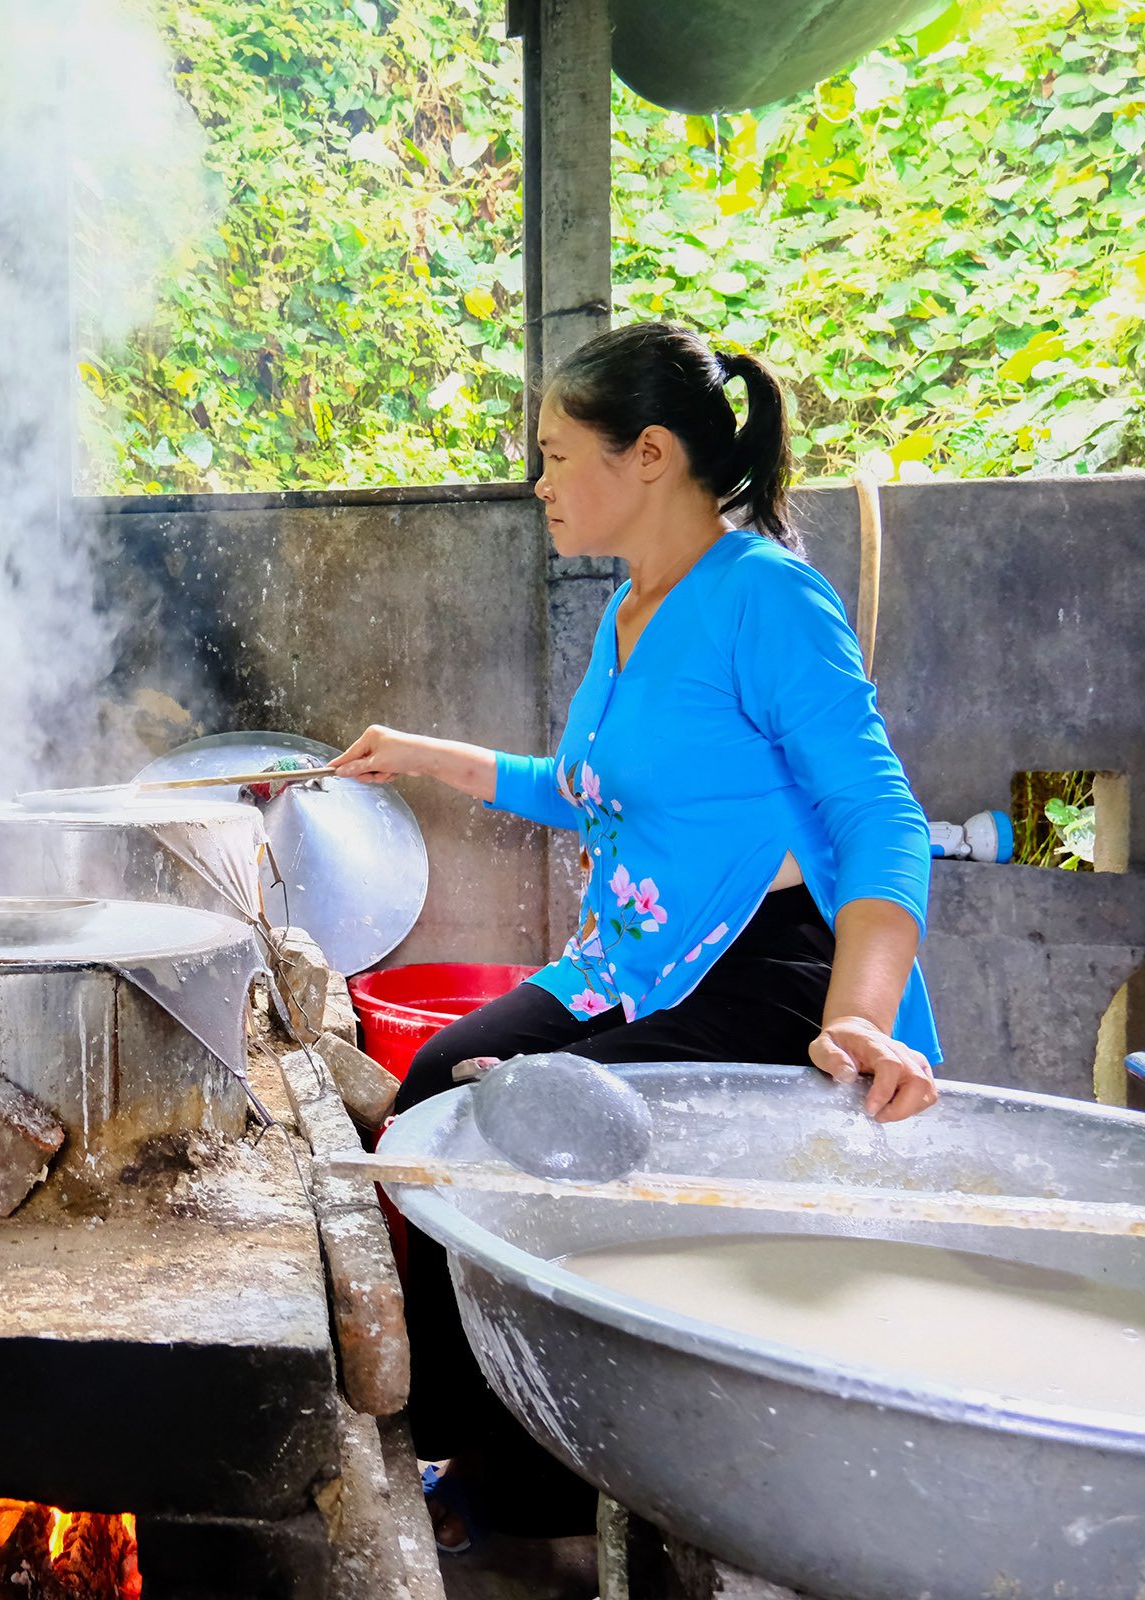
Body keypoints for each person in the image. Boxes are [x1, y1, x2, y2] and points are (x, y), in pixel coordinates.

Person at [332, 321, 942, 1545]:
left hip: (773, 971)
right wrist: (419, 754)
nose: (542, 483)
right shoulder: (628, 610)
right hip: (633, 965)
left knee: (517, 1120)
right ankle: (478, 1444)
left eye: (559, 456)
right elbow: (584, 785)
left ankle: (540, 1476)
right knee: (435, 1082)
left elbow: (882, 816)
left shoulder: (767, 598)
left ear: (650, 454)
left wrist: (861, 1013)